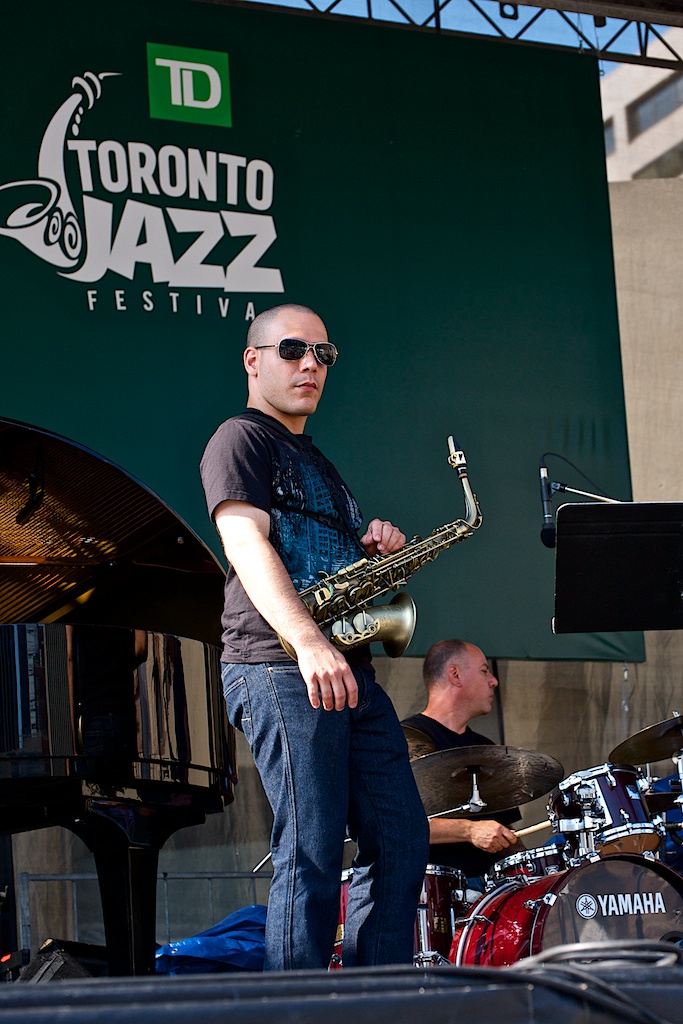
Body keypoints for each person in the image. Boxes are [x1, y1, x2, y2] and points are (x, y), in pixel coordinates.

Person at [200, 303, 429, 971]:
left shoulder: (317, 461)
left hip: (345, 671)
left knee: (401, 837)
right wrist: (308, 644)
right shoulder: (239, 438)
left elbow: (320, 561)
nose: (310, 364)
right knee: (312, 848)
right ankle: (297, 1012)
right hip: (281, 666)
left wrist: (373, 548)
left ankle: (369, 1002)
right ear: (253, 360)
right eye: (293, 350)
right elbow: (245, 544)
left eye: (322, 355)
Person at [401, 638, 523, 886]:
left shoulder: (488, 750)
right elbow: (391, 825)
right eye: (484, 670)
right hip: (423, 894)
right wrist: (469, 831)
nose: (494, 681)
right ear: (455, 675)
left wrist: (538, 870)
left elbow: (505, 832)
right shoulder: (401, 740)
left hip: (488, 897)